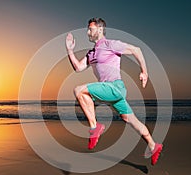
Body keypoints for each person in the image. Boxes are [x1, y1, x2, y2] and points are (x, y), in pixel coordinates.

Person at [65, 17, 163, 165]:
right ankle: (153, 145)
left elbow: (137, 50)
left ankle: (94, 127)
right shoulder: (91, 53)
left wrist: (144, 72)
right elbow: (78, 67)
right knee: (130, 120)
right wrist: (70, 50)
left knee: (79, 90)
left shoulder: (111, 44)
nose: (87, 32)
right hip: (108, 91)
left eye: (90, 29)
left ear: (99, 29)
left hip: (115, 87)